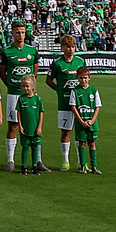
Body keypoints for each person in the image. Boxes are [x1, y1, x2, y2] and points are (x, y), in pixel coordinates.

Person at [0, 20, 37, 172]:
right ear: (12, 33)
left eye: (22, 32)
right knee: (13, 126)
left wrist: (30, 88)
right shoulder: (6, 51)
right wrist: (11, 85)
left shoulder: (32, 51)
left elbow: (34, 72)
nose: (20, 35)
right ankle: (10, 160)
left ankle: (36, 161)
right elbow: (2, 74)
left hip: (30, 95)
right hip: (14, 94)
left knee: (33, 127)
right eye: (17, 32)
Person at [47, 35, 86, 171]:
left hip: (80, 103)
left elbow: (84, 79)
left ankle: (82, 161)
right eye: (68, 47)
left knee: (81, 133)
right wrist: (59, 90)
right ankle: (65, 161)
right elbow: (49, 80)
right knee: (66, 132)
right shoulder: (57, 63)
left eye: (73, 47)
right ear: (62, 47)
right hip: (64, 103)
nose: (71, 49)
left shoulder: (80, 62)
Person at [70, 67, 102, 174]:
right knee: (82, 143)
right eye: (81, 78)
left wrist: (92, 121)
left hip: (92, 123)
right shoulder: (75, 91)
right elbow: (73, 107)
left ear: (89, 78)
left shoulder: (94, 91)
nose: (83, 80)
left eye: (85, 78)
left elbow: (97, 107)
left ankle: (94, 166)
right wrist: (81, 121)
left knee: (92, 143)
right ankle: (83, 165)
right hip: (81, 122)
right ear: (77, 78)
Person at [15, 75, 46, 174]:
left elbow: (41, 113)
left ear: (32, 86)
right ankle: (23, 166)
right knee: (25, 147)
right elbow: (18, 113)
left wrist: (39, 126)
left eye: (27, 86)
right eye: (24, 86)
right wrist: (20, 126)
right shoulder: (21, 99)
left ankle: (34, 166)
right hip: (25, 128)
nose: (25, 88)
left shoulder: (38, 99)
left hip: (35, 128)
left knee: (35, 147)